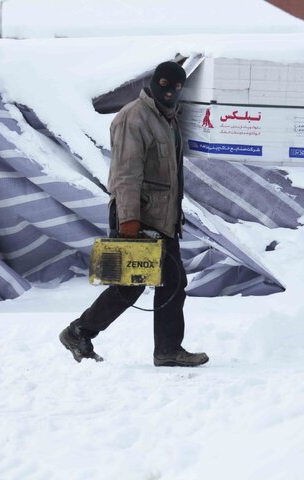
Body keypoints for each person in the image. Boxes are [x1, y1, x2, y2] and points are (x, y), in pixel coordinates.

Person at [59, 61, 209, 367]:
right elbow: (125, 175)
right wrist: (129, 221)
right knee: (149, 284)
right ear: (154, 83)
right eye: (165, 85)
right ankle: (85, 332)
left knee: (161, 283)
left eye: (177, 87)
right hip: (138, 217)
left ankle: (87, 332)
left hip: (161, 218)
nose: (170, 92)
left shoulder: (167, 118)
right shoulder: (134, 118)